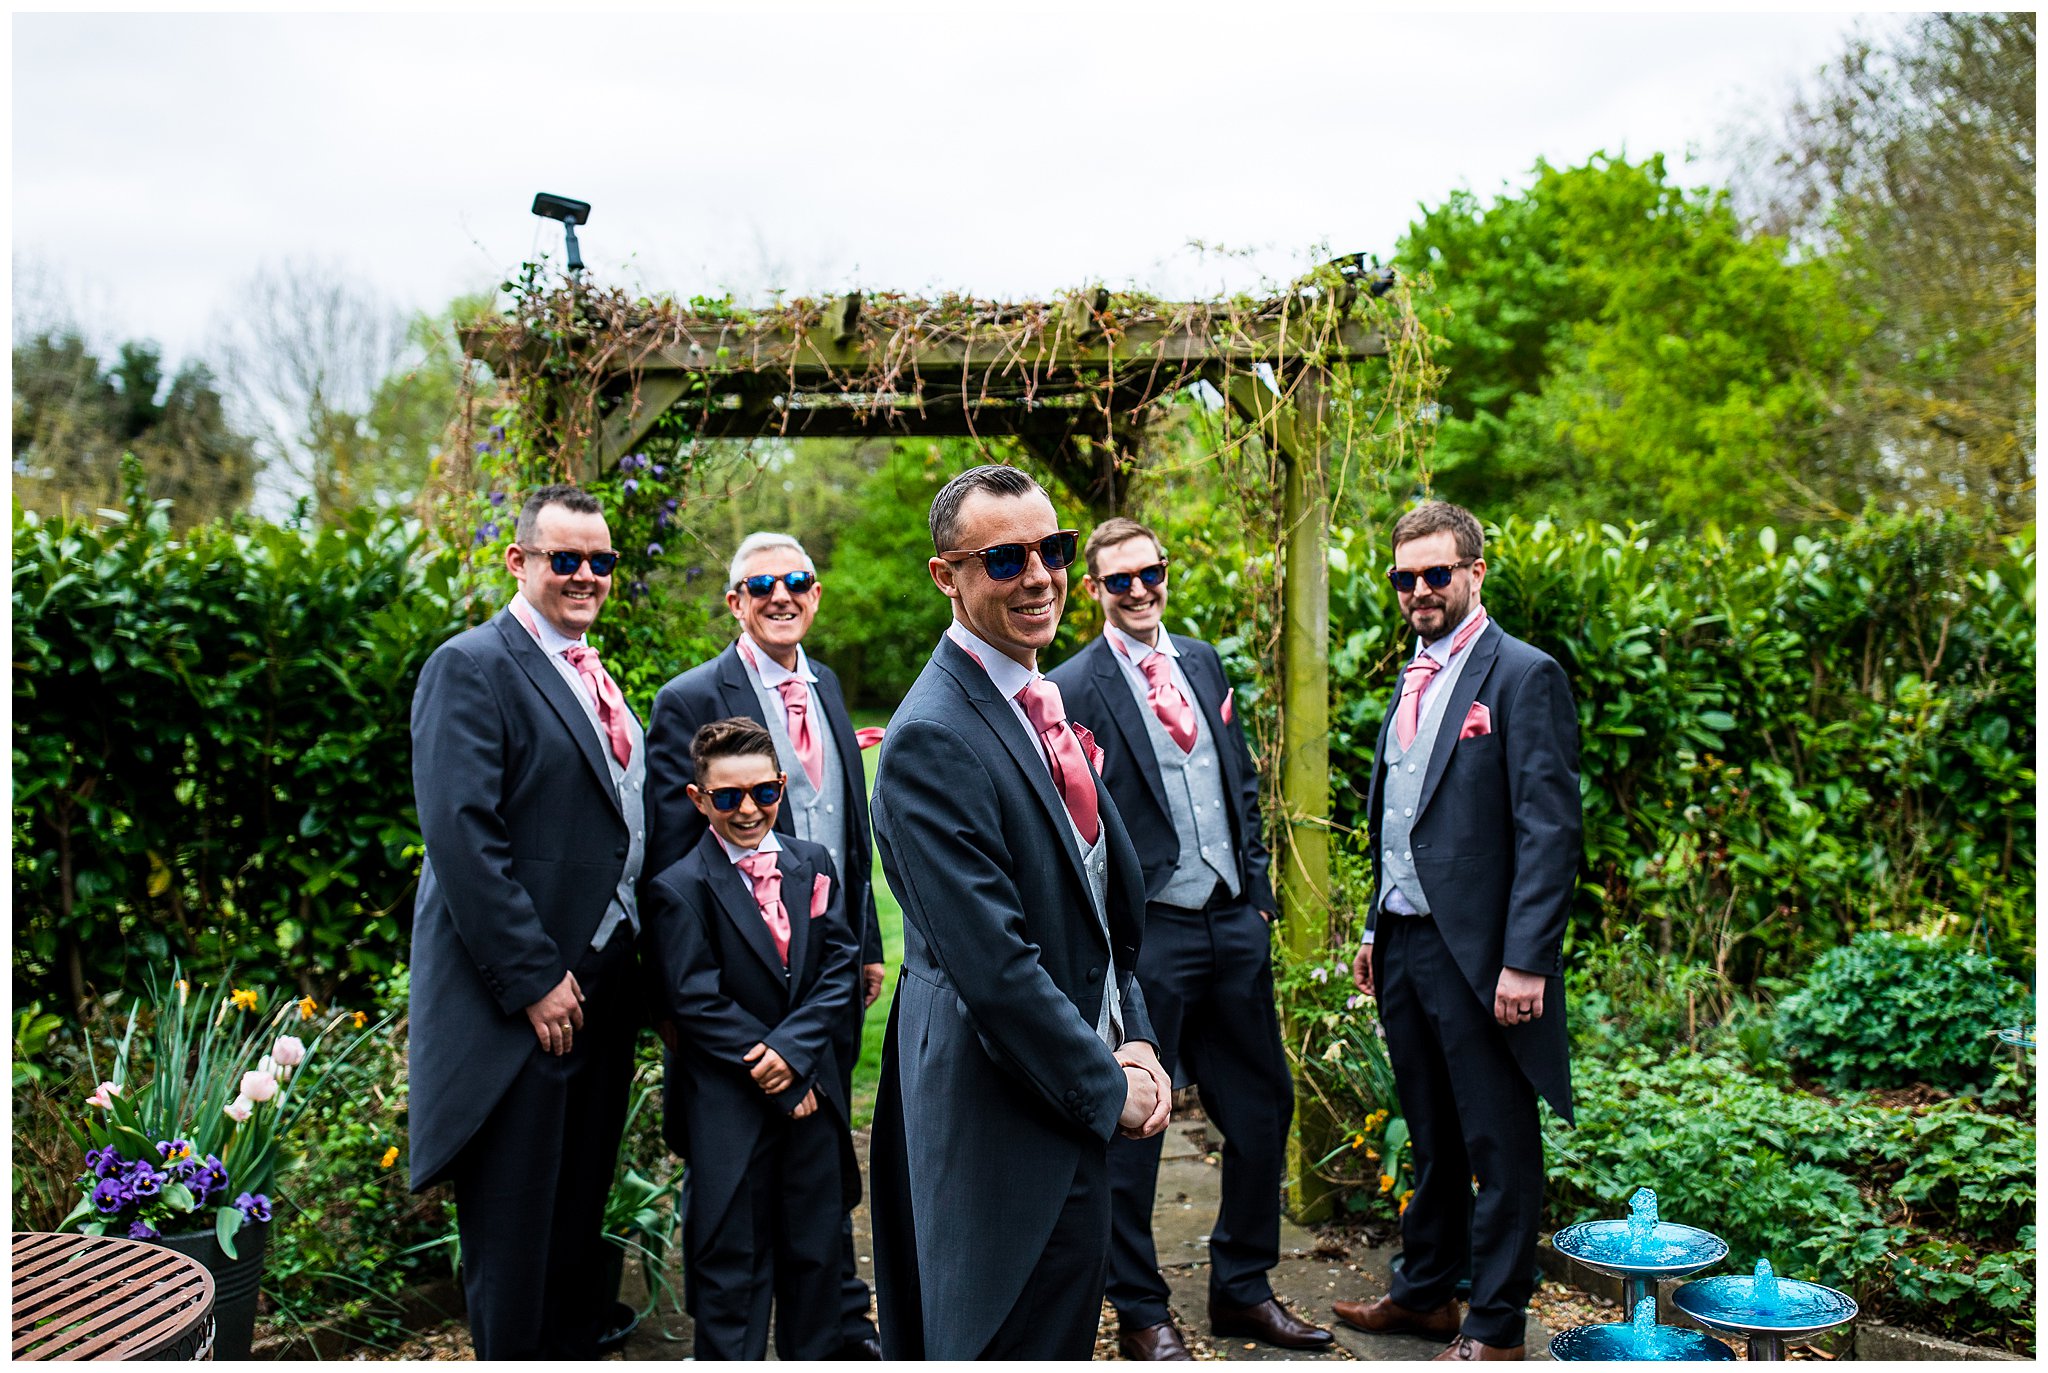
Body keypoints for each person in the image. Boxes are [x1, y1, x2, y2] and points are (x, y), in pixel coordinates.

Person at [868, 464, 1174, 1360]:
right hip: (998, 1118)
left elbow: (1097, 909)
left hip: (1067, 1089)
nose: (1039, 574)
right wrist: (1111, 1087)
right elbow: (994, 968)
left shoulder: (1038, 700)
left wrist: (1140, 1036)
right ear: (946, 576)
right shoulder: (932, 735)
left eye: (1054, 549)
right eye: (1004, 558)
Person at [1049, 517, 1332, 1359]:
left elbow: (1237, 777)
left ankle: (1243, 1289)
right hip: (1150, 937)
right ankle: (1140, 1308)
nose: (1140, 591)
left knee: (1262, 1107)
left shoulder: (1201, 660)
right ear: (1093, 590)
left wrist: (1256, 894)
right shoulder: (1073, 685)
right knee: (1137, 1121)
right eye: (1120, 579)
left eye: (1151, 573)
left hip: (1232, 921)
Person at [1331, 501, 1580, 1363]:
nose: (1420, 590)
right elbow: (1403, 818)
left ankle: (1497, 1325)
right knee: (1430, 1131)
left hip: (1483, 958)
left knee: (1498, 1141)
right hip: (1402, 944)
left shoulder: (1522, 675)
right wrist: (1373, 923)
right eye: (1406, 577)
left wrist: (1526, 961)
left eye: (1438, 573)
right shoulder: (1412, 674)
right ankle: (1426, 1294)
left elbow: (1549, 831)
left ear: (1476, 571)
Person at [406, 484, 646, 1359]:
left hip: (603, 989)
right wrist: (535, 978)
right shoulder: (471, 665)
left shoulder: (593, 671)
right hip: (525, 1003)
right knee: (515, 1228)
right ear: (519, 560)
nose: (586, 575)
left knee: (576, 1209)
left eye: (602, 560)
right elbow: (464, 838)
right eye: (565, 558)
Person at [644, 530, 884, 1358]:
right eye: (762, 584)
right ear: (735, 599)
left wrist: (866, 951)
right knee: (736, 1206)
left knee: (818, 1178)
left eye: (799, 581)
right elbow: (670, 861)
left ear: (815, 593)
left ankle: (835, 1328)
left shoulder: (829, 686)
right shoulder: (691, 696)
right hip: (732, 1012)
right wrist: (702, 1018)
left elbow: (849, 826)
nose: (783, 595)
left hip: (820, 978)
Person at [641, 716, 862, 1360]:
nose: (748, 810)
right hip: (730, 1105)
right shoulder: (678, 889)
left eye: (763, 793)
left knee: (815, 1257)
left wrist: (794, 1058)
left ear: (782, 787)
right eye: (728, 796)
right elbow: (695, 999)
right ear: (698, 798)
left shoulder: (811, 864)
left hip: (811, 1099)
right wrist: (773, 1071)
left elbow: (837, 966)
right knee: (732, 1268)